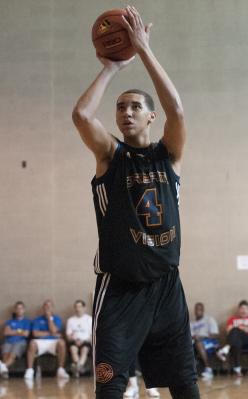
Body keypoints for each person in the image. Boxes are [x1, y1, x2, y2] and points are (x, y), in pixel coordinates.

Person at [71, 6, 199, 398]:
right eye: (120, 107)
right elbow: (80, 114)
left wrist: (143, 49)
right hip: (120, 289)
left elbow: (177, 109)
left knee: (185, 387)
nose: (125, 112)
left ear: (150, 117)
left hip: (166, 287)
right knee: (110, 389)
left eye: (134, 107)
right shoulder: (111, 155)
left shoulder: (169, 154)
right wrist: (111, 68)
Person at [24, 300, 69, 380]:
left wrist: (49, 319)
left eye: (49, 306)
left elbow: (54, 330)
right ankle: (30, 370)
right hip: (41, 341)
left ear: (52, 308)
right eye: (45, 306)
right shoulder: (37, 319)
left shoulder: (57, 318)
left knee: (62, 342)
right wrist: (51, 333)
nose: (47, 308)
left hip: (54, 342)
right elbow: (35, 334)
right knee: (32, 343)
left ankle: (61, 370)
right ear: (43, 308)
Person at [216, 300, 248, 377]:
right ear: (238, 309)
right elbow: (228, 331)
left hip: (247, 341)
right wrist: (242, 328)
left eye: (245, 308)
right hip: (235, 341)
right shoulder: (232, 319)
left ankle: (225, 349)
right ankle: (237, 369)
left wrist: (237, 327)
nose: (243, 310)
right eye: (242, 308)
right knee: (236, 341)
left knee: (235, 331)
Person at [0, 301, 31, 378]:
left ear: (24, 310)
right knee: (5, 354)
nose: (19, 310)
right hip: (8, 341)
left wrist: (13, 331)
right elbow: (6, 332)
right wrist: (20, 331)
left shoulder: (27, 321)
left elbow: (26, 334)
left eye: (21, 308)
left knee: (12, 354)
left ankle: (2, 367)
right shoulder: (9, 321)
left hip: (20, 342)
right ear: (15, 310)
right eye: (18, 308)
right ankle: (4, 371)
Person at [190, 302, 219, 379]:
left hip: (211, 342)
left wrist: (202, 337)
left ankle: (208, 369)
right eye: (196, 309)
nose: (198, 311)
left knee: (199, 343)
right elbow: (191, 336)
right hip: (196, 343)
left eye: (200, 309)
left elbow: (215, 334)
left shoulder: (209, 319)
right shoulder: (191, 323)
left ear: (203, 310)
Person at [66, 300, 93, 377]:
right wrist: (75, 340)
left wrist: (84, 340)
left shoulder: (89, 319)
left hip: (86, 341)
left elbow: (92, 335)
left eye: (80, 306)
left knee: (84, 350)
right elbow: (68, 336)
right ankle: (80, 368)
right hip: (74, 341)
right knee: (73, 349)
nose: (78, 308)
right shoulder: (70, 320)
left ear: (84, 308)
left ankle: (77, 368)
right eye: (76, 307)